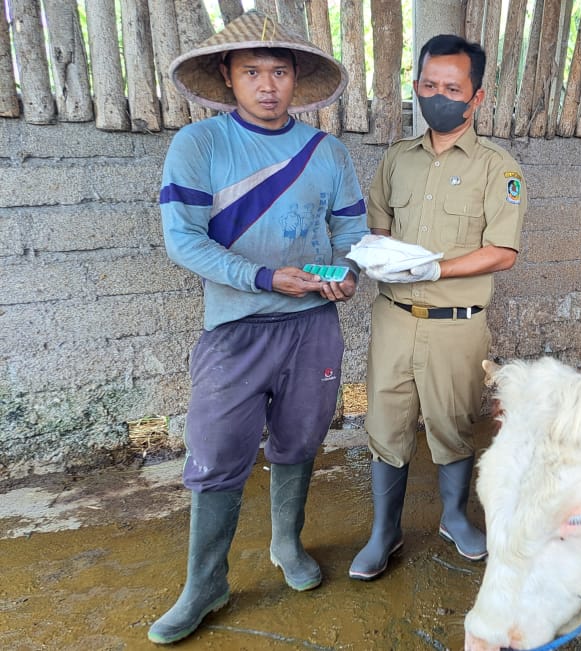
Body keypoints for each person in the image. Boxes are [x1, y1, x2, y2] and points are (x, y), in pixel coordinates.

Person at [150, 10, 368, 644]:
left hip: (313, 327)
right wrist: (265, 279)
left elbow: (352, 235)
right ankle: (205, 584)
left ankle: (286, 544)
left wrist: (347, 274)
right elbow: (181, 240)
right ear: (227, 75)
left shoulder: (328, 153)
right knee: (217, 454)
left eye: (278, 71)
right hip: (235, 327)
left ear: (296, 78)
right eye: (252, 72)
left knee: (300, 440)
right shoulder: (201, 145)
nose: (267, 85)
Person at [350, 34, 527, 581]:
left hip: (457, 326)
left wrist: (435, 269)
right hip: (394, 319)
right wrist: (376, 257)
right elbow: (378, 229)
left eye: (452, 88)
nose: (438, 96)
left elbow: (503, 252)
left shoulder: (499, 169)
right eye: (428, 85)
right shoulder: (397, 160)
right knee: (386, 421)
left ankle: (454, 516)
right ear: (416, 86)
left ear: (477, 97)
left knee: (452, 424)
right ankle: (385, 531)